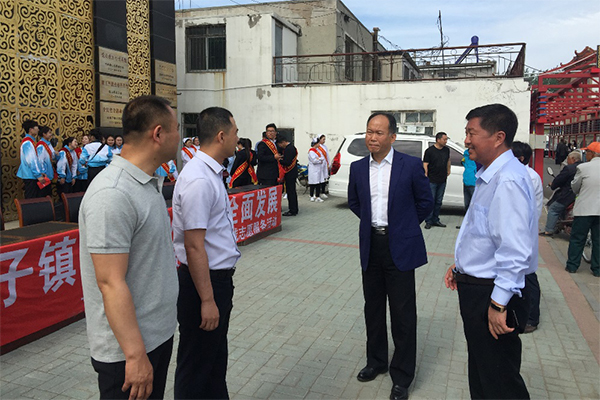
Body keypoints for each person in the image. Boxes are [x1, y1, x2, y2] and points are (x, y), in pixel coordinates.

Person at [79, 95, 180, 400]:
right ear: (158, 134)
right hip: (127, 353)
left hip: (156, 335)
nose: (180, 136)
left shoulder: (145, 183)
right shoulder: (112, 193)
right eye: (176, 128)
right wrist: (135, 355)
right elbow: (110, 282)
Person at [444, 104, 537, 400]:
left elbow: (515, 249)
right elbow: (485, 233)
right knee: (484, 371)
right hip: (479, 287)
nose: (466, 140)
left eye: (472, 133)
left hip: (492, 294)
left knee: (500, 380)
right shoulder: (491, 174)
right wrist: (460, 266)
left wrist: (498, 305)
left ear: (498, 137)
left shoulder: (507, 179)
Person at [348, 112, 433, 400]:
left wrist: (403, 227)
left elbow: (425, 202)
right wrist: (374, 224)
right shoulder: (358, 168)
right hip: (371, 245)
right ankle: (376, 361)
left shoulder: (410, 165)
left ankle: (402, 376)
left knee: (402, 314)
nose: (372, 137)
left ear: (392, 136)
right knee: (372, 308)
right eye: (369, 131)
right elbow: (355, 202)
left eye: (379, 132)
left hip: (401, 247)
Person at [172, 107, 240, 399]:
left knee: (213, 362)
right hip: (203, 284)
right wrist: (208, 300)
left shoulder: (211, 173)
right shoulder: (199, 179)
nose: (238, 139)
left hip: (215, 281)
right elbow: (194, 245)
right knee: (196, 365)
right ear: (221, 136)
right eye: (235, 133)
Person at [512, 141, 544, 334]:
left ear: (521, 158)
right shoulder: (520, 174)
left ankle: (532, 318)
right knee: (520, 274)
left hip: (524, 232)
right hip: (519, 231)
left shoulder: (528, 176)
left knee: (528, 276)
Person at [565, 142, 600, 277]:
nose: (586, 155)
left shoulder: (583, 168)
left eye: (587, 152)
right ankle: (597, 269)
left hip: (585, 209)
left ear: (592, 154)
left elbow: (575, 187)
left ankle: (572, 266)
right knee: (598, 241)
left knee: (578, 238)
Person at [539, 151, 582, 236]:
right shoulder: (584, 167)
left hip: (567, 196)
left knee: (553, 209)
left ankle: (549, 230)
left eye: (568, 159)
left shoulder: (569, 168)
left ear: (573, 159)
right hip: (581, 195)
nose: (567, 161)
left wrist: (553, 185)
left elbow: (559, 180)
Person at [423, 132, 450, 229]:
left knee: (439, 201)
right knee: (431, 200)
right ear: (438, 140)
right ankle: (428, 221)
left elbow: (448, 160)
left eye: (446, 139)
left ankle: (435, 219)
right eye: (444, 139)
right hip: (432, 180)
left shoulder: (446, 150)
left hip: (442, 179)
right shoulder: (430, 151)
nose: (446, 141)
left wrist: (448, 170)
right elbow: (425, 163)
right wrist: (426, 174)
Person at [17, 119, 45, 198]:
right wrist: (38, 175)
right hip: (30, 175)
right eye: (36, 127)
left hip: (32, 175)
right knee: (31, 199)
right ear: (31, 129)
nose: (38, 129)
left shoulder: (31, 142)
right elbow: (31, 160)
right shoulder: (28, 143)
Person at [277, 134, 299, 216]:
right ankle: (294, 208)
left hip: (290, 173)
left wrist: (279, 160)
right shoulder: (291, 147)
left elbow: (287, 162)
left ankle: (292, 210)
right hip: (292, 172)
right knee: (291, 191)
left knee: (291, 192)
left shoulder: (289, 149)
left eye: (280, 144)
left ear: (283, 142)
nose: (280, 146)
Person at [36, 126, 57, 197]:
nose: (51, 134)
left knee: (48, 194)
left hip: (49, 172)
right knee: (44, 195)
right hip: (44, 174)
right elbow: (40, 161)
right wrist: (42, 173)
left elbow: (52, 156)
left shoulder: (48, 144)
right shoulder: (41, 145)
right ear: (44, 134)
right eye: (49, 133)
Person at [307, 138, 325, 202]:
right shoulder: (311, 151)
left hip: (318, 169)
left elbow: (322, 157)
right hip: (313, 169)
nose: (319, 144)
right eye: (318, 143)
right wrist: (319, 160)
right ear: (316, 144)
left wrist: (319, 159)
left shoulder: (318, 150)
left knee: (318, 183)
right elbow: (314, 161)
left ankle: (317, 196)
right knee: (312, 183)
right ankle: (311, 195)